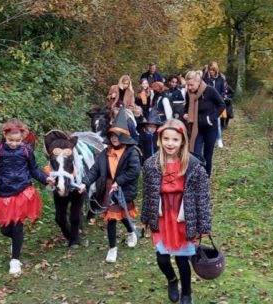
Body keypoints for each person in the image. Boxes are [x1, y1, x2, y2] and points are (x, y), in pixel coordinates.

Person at [141, 119, 212, 304]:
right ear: (160, 139)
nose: (170, 143)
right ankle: (172, 280)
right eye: (166, 139)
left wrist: (204, 224)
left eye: (174, 139)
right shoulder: (151, 164)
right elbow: (147, 193)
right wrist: (145, 217)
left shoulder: (194, 166)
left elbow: (202, 197)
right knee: (162, 259)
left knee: (182, 261)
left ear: (182, 141)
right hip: (163, 216)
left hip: (183, 217)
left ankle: (186, 293)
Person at [0, 119, 54, 276]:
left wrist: (45, 179)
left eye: (18, 140)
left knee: (17, 225)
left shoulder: (27, 150)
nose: (14, 144)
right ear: (5, 135)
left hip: (23, 193)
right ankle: (17, 239)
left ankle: (15, 260)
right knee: (5, 229)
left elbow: (34, 169)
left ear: (22, 138)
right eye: (11, 140)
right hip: (5, 196)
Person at [78, 109, 141, 263]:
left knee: (123, 215)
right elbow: (95, 170)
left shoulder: (131, 152)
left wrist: (119, 181)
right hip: (109, 189)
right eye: (112, 136)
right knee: (111, 218)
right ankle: (112, 249)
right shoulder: (105, 153)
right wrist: (84, 183)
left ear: (123, 137)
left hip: (123, 188)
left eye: (117, 136)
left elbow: (134, 171)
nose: (114, 139)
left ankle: (131, 232)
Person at [183, 70, 225, 177]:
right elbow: (187, 106)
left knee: (207, 155)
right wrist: (185, 114)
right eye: (188, 85)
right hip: (196, 129)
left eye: (191, 85)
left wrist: (210, 119)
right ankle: (196, 176)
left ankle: (206, 177)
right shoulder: (189, 93)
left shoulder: (210, 91)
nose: (189, 88)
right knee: (195, 153)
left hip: (210, 129)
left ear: (198, 82)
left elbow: (221, 104)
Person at [203, 62, 227, 148]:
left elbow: (223, 90)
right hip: (207, 103)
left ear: (216, 70)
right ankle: (206, 139)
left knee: (217, 122)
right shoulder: (205, 79)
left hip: (217, 103)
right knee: (206, 120)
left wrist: (221, 98)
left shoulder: (221, 79)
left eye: (213, 70)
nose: (211, 71)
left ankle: (219, 139)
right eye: (210, 70)